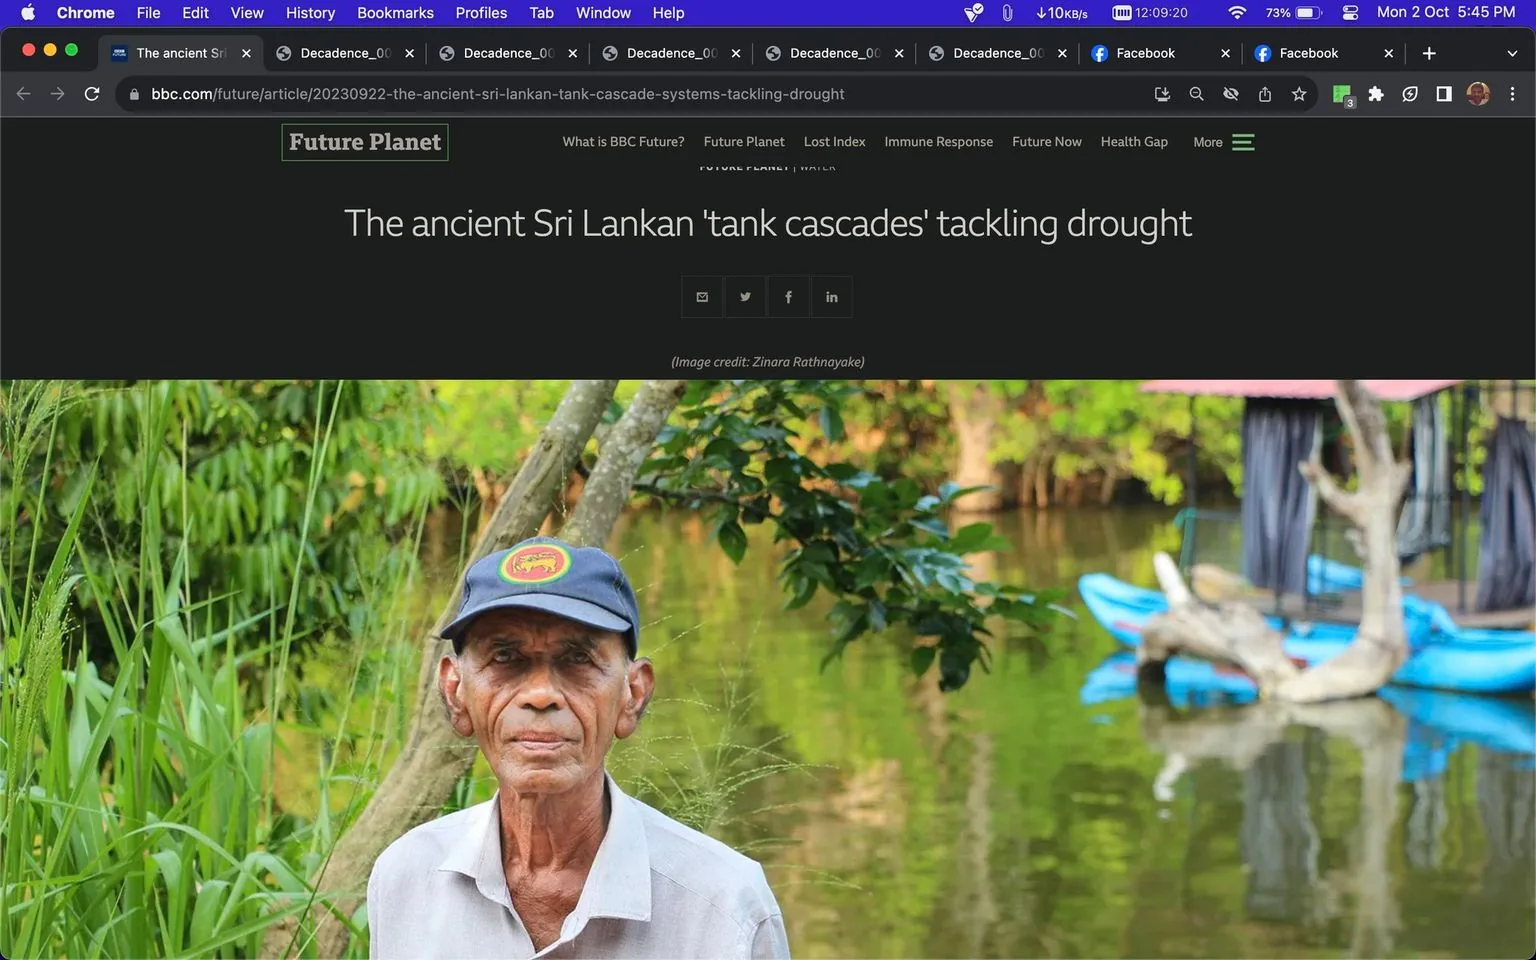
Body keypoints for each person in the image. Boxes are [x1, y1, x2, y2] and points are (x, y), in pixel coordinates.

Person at [367, 536, 790, 959]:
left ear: (633, 694)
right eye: (504, 657)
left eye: (577, 659)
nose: (540, 694)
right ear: (455, 691)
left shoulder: (724, 907)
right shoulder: (406, 878)